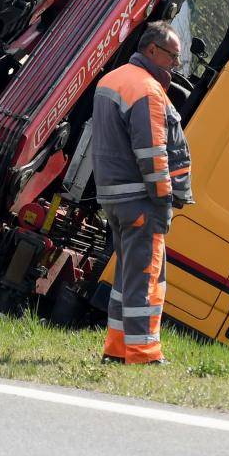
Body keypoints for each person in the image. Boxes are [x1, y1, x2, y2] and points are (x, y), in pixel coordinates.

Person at [92, 23, 193, 365]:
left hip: (114, 197)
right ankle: (142, 353)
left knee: (127, 277)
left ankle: (118, 349)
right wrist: (164, 198)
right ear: (152, 51)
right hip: (141, 199)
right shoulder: (147, 90)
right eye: (173, 56)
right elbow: (152, 153)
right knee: (147, 278)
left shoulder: (113, 80)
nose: (176, 64)